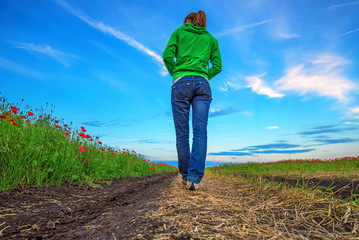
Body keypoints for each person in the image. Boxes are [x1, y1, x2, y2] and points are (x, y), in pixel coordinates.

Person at [162, 10, 222, 190]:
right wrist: (204, 75)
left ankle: (185, 174)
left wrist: (176, 73)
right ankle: (194, 179)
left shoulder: (179, 32)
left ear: (188, 20)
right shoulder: (211, 39)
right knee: (200, 131)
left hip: (181, 82)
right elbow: (218, 66)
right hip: (203, 84)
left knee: (182, 134)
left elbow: (167, 55)